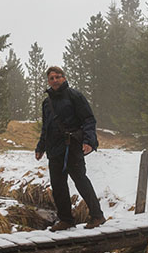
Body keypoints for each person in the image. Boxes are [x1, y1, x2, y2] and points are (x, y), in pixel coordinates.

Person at [35, 66, 106, 231]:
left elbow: (89, 120)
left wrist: (89, 141)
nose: (55, 80)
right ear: (48, 81)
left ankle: (97, 216)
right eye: (51, 78)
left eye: (58, 77)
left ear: (64, 78)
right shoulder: (47, 103)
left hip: (72, 146)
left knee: (81, 180)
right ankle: (66, 219)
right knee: (58, 185)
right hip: (54, 149)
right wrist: (40, 147)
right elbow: (46, 127)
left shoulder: (75, 96)